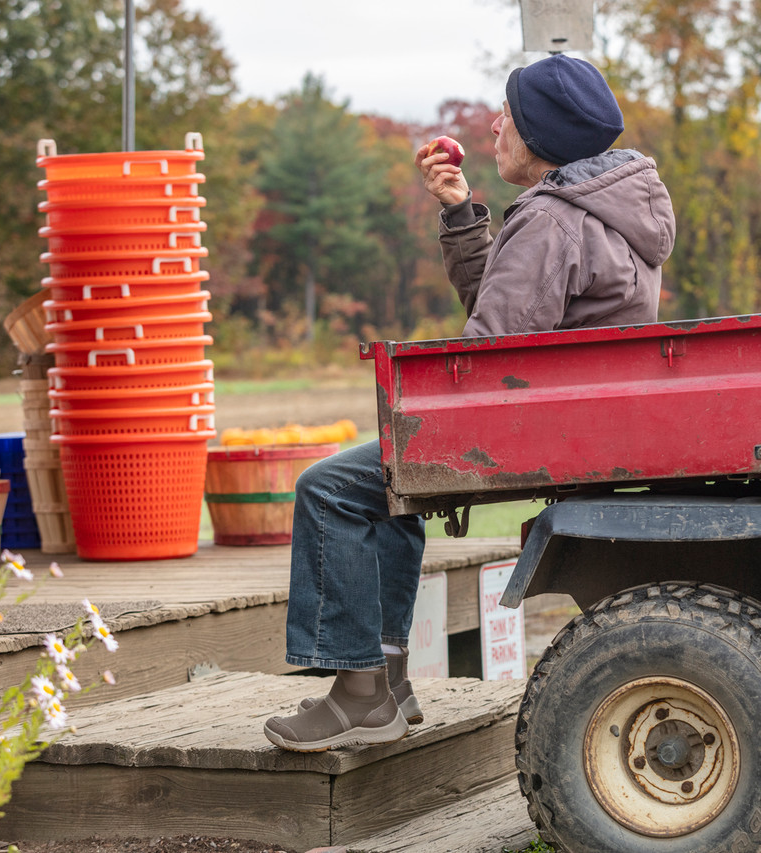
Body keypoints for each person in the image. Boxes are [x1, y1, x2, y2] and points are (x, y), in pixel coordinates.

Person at [263, 54, 676, 752]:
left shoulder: (552, 220)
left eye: (509, 116)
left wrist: (419, 392)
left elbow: (491, 354)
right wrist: (462, 214)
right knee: (387, 487)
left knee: (330, 487)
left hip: (533, 425)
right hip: (571, 420)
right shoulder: (609, 204)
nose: (494, 126)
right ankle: (385, 685)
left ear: (541, 129)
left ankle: (361, 688)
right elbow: (520, 310)